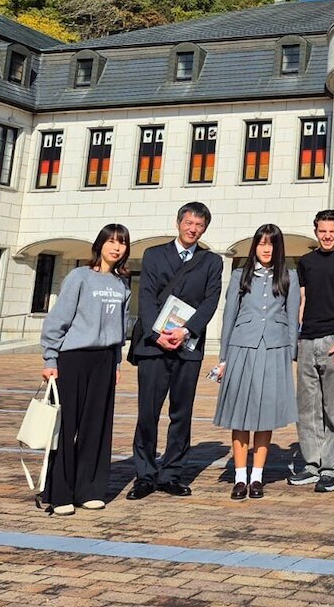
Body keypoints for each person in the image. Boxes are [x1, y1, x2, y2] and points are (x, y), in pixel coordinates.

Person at [129, 202, 223, 499]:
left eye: (199, 225)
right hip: (153, 346)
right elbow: (146, 296)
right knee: (148, 412)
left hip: (187, 346)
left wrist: (185, 331)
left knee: (181, 413)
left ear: (204, 229)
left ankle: (171, 474)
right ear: (178, 222)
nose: (193, 229)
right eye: (189, 223)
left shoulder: (211, 261)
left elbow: (210, 301)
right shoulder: (154, 254)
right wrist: (156, 334)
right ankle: (144, 474)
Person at [39, 224, 131, 514]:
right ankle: (60, 493)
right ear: (100, 244)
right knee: (66, 427)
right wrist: (50, 359)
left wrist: (116, 361)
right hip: (73, 358)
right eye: (111, 241)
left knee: (96, 427)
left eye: (122, 243)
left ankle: (88, 489)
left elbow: (121, 327)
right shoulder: (79, 276)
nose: (116, 247)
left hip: (104, 361)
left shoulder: (122, 284)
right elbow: (58, 319)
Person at [213, 224, 299, 500]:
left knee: (265, 415)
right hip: (242, 347)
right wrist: (224, 357)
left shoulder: (289, 276)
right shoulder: (240, 275)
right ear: (254, 246)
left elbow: (292, 317)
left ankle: (257, 477)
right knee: (240, 413)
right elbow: (229, 315)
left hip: (275, 349)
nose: (266, 249)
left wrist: (290, 353)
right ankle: (240, 478)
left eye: (271, 244)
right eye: (262, 243)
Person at [290, 209, 334, 493]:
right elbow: (303, 300)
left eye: (332, 231)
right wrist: (297, 337)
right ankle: (311, 464)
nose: (327, 235)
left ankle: (331, 468)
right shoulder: (305, 262)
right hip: (307, 340)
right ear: (316, 231)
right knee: (307, 409)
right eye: (322, 231)